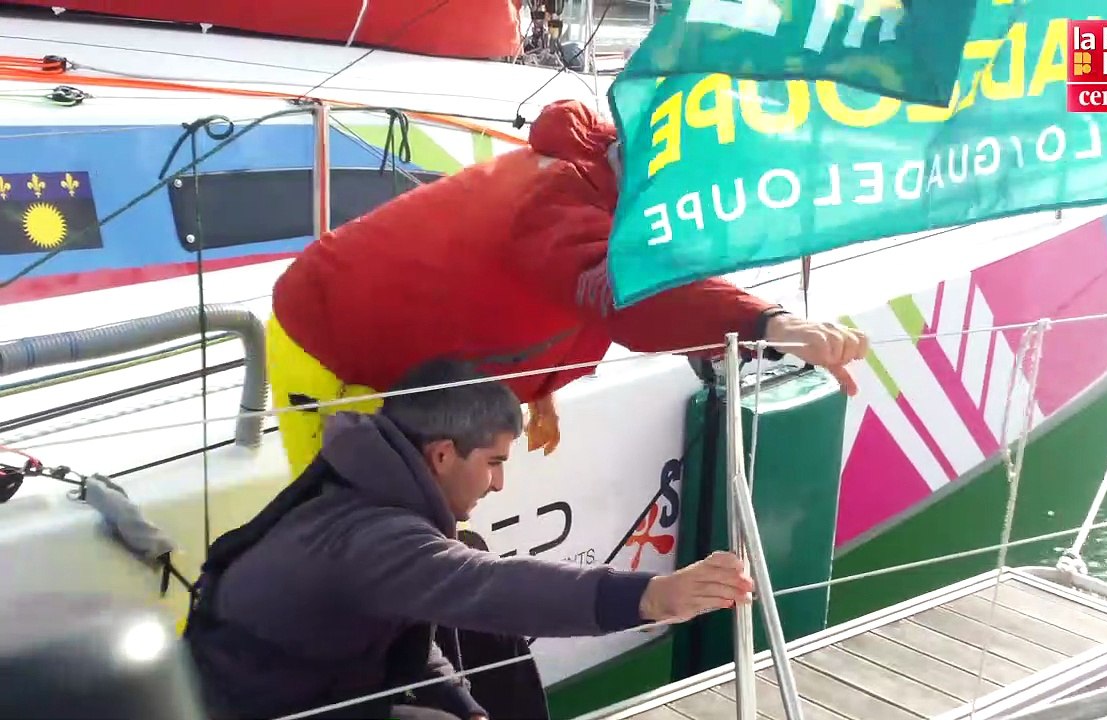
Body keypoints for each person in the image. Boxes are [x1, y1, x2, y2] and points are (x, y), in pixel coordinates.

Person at [265, 98, 870, 477]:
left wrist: (541, 389)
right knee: (342, 534)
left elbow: (553, 294)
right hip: (331, 346)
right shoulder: (556, 199)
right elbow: (627, 294)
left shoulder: (605, 184)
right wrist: (771, 324)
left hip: (409, 362)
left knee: (399, 531)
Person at [183, 359, 754, 720]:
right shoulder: (371, 534)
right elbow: (487, 586)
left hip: (311, 687)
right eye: (494, 462)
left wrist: (465, 708)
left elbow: (407, 637)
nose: (500, 482)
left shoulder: (368, 486)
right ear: (440, 454)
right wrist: (650, 596)